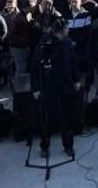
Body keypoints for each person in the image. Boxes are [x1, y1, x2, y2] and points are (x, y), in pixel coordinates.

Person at [31, 19, 80, 158]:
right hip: (48, 86)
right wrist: (35, 88)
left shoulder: (67, 43)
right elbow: (35, 67)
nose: (68, 30)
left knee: (68, 118)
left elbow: (73, 61)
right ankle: (45, 146)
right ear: (61, 30)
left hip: (66, 85)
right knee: (47, 118)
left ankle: (68, 145)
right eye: (67, 28)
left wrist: (76, 79)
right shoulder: (44, 44)